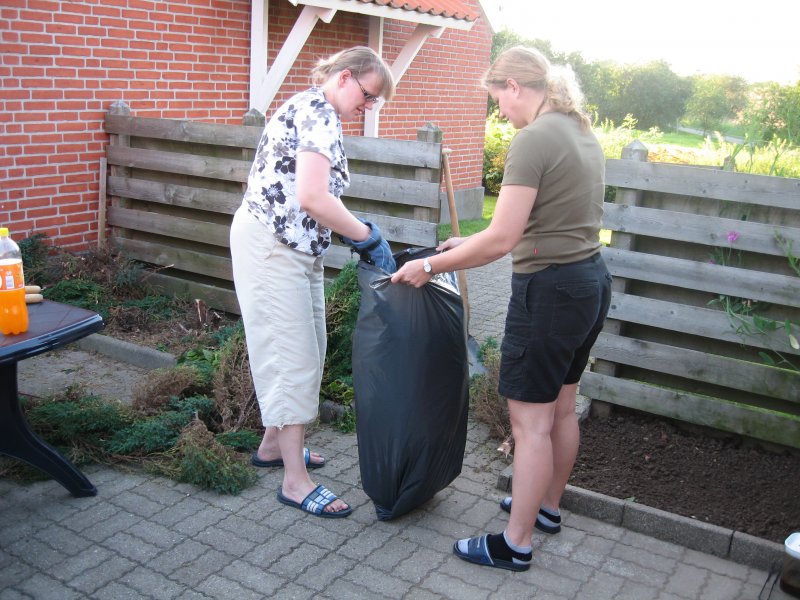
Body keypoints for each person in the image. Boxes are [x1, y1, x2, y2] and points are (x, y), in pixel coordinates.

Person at [391, 46, 612, 569]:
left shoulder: (533, 139)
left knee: (529, 424)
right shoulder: (578, 130)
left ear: (514, 86)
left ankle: (515, 544)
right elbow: (531, 222)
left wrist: (430, 267)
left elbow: (503, 240)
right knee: (562, 408)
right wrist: (461, 245)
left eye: (497, 100)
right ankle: (546, 508)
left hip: (550, 293)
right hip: (588, 282)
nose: (500, 112)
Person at [230, 46, 396, 518]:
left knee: (311, 348)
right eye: (368, 95)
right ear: (345, 77)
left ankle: (272, 446)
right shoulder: (317, 112)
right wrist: (366, 236)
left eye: (374, 101)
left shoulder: (317, 110)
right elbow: (312, 197)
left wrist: (356, 231)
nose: (369, 107)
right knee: (292, 357)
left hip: (298, 249)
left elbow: (312, 196)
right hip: (272, 247)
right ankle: (295, 481)